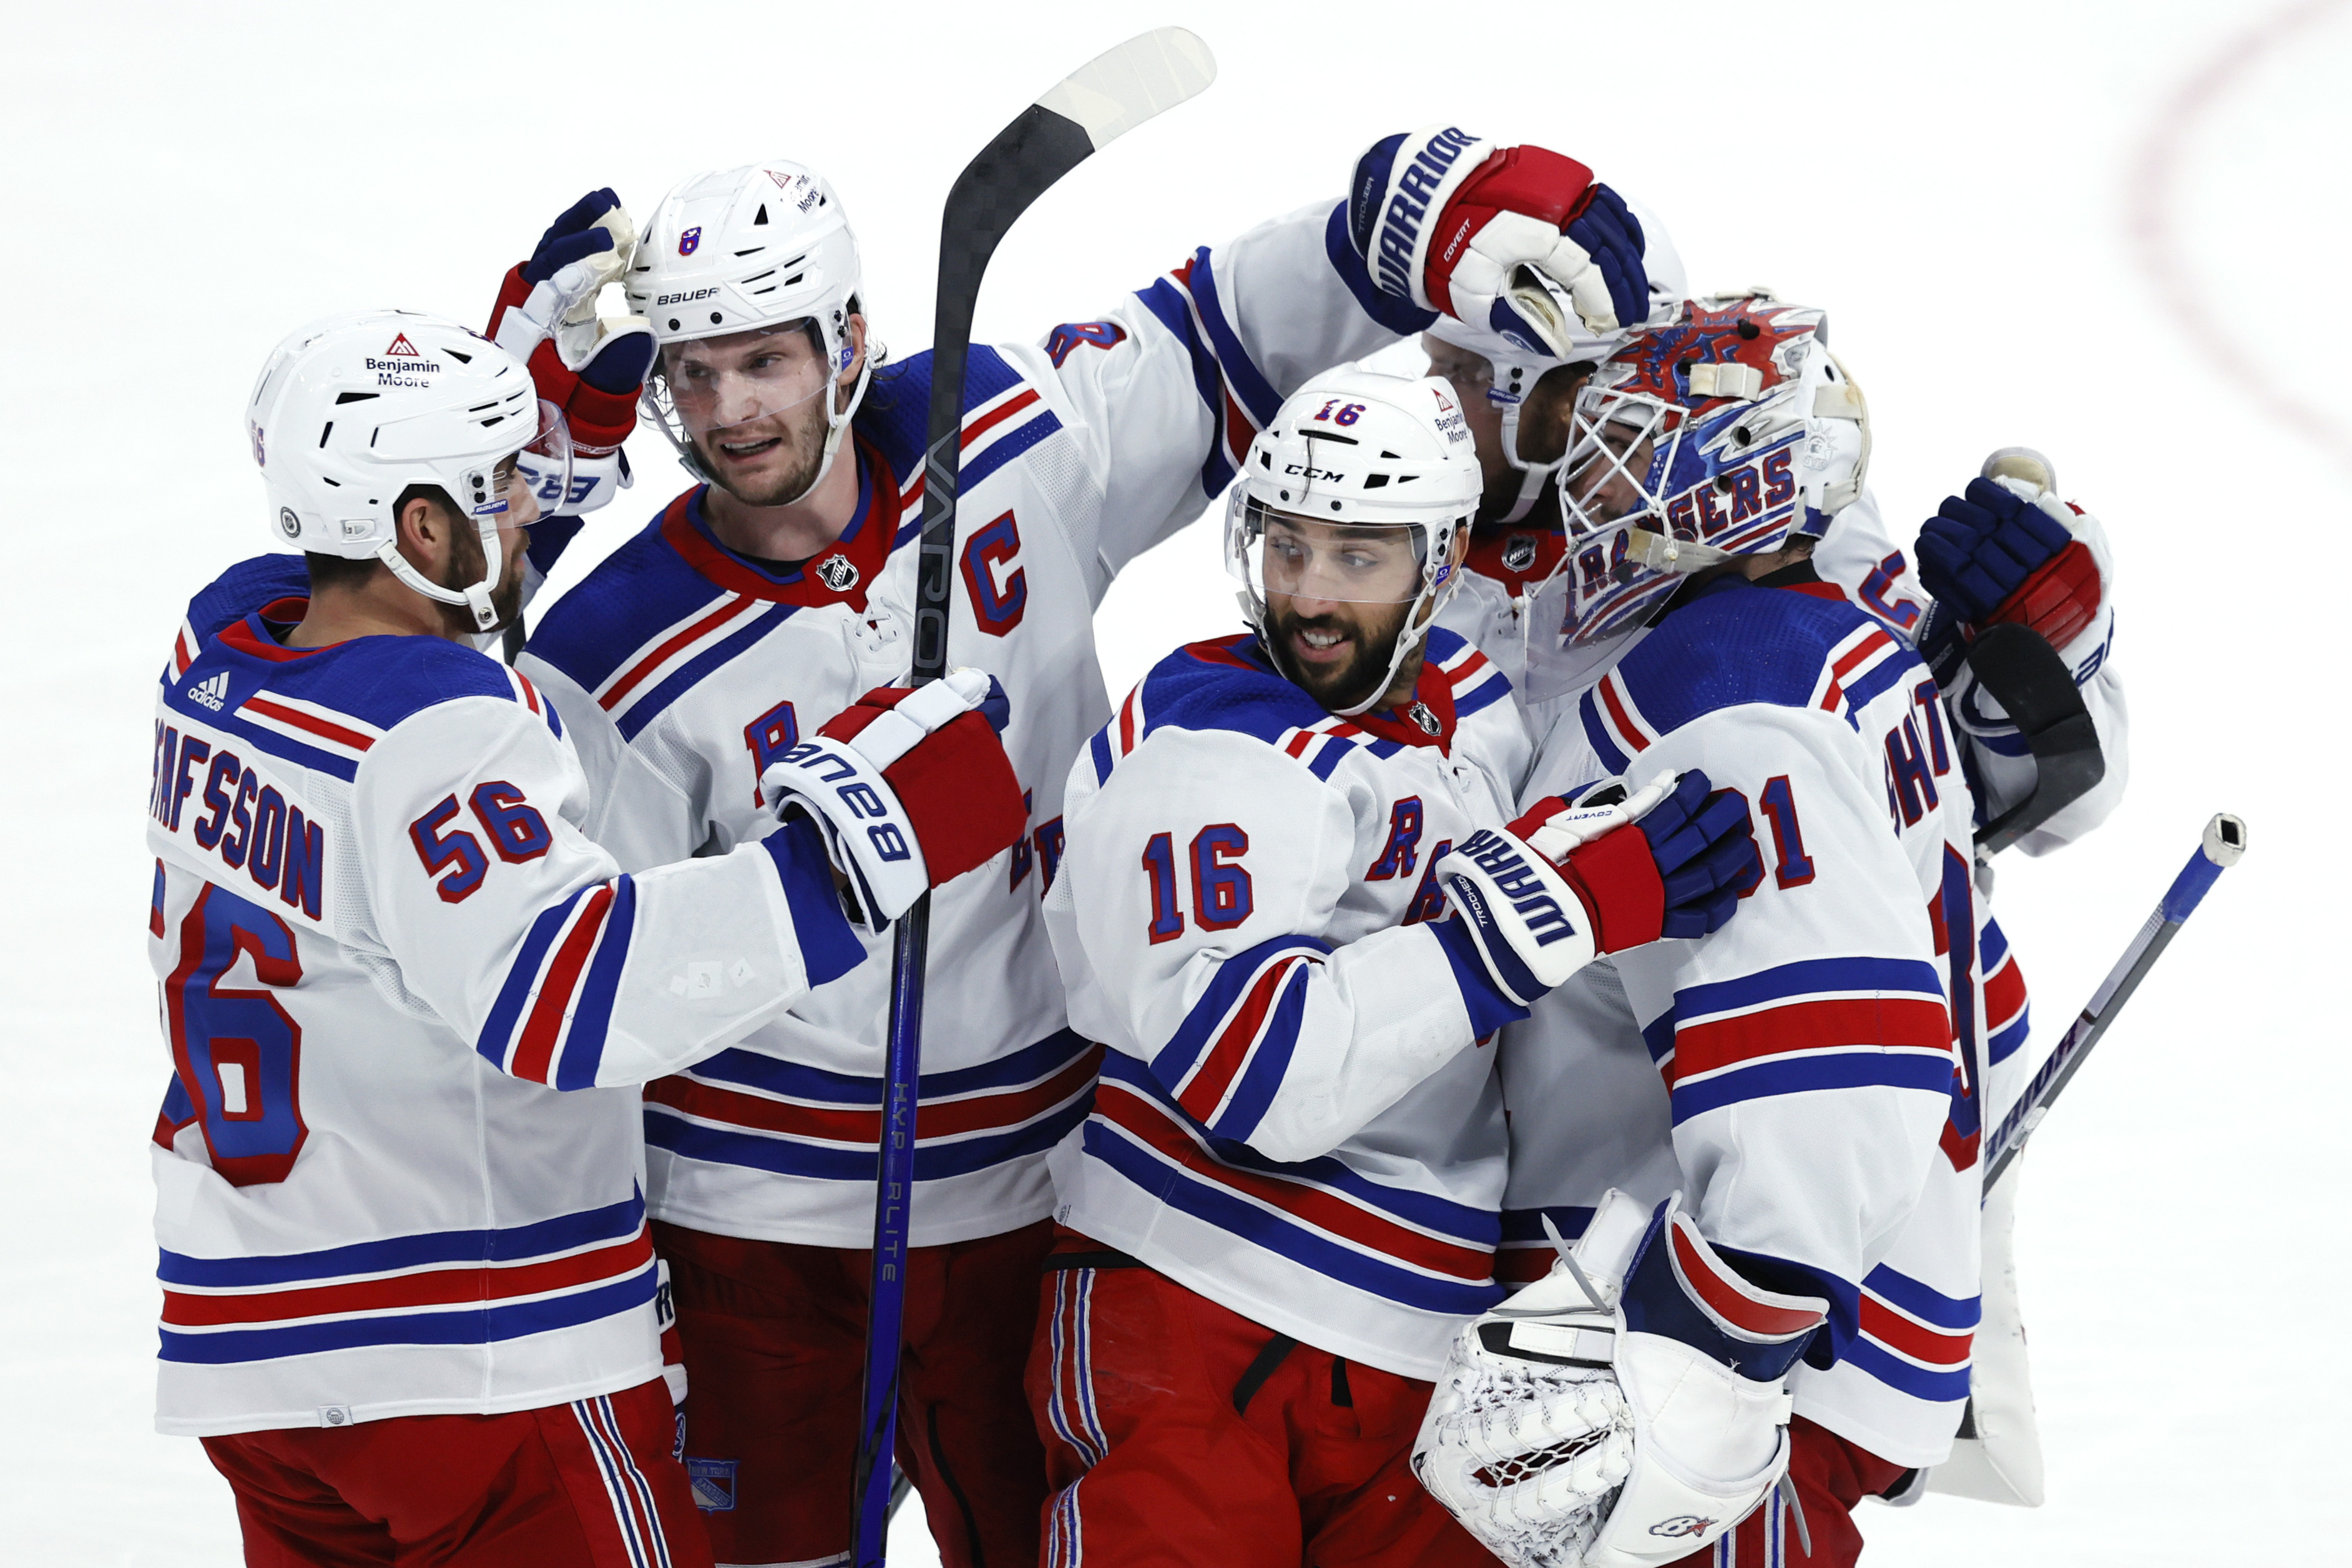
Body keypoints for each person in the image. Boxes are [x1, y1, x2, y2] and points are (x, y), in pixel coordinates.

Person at [506, 127, 1672, 1568]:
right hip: (759, 1227)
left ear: (848, 340)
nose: (736, 407)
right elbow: (581, 972)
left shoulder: (995, 434)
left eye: (768, 359)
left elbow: (1213, 339)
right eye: (697, 371)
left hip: (1030, 1186)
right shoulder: (613, 649)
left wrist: (1401, 221)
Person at [147, 310, 1023, 1567]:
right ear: (418, 525)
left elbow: (406, 590)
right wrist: (855, 847)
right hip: (475, 1361)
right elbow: (577, 995)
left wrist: (528, 436)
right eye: (497, 485)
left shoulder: (218, 649)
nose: (527, 504)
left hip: (263, 1366)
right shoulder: (443, 731)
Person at [1030, 368, 1760, 1568]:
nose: (1309, 595)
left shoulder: (1469, 706)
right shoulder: (1213, 746)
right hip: (1193, 1309)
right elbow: (1253, 1073)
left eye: (1357, 556)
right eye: (1288, 548)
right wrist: (1558, 905)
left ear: (1443, 557)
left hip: (1422, 1345)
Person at [1410, 295, 2081, 1568]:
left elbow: (1834, 1064)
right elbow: (1972, 1002)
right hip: (1842, 1320)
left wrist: (1710, 1343)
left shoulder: (1726, 682)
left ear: (1730, 478)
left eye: (1630, 448)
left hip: (1720, 1372)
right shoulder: (1848, 647)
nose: (1590, 487)